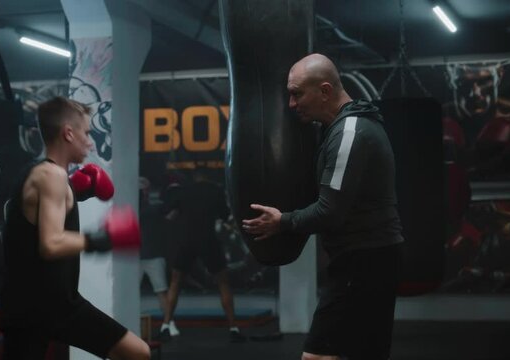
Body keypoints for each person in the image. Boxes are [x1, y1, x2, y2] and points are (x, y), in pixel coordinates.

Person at [242, 53, 404, 360]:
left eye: (297, 94)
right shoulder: (342, 128)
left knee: (317, 355)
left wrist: (282, 221)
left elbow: (330, 212)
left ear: (325, 91)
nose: (291, 104)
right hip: (371, 256)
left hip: (364, 260)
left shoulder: (350, 134)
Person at [0, 96, 150, 360]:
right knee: (138, 353)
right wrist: (104, 238)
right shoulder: (52, 177)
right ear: (68, 133)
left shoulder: (40, 173)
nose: (90, 141)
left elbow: (33, 220)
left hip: (33, 304)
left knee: (137, 353)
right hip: (46, 307)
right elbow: (51, 243)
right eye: (87, 132)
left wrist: (75, 192)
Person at [159, 169, 247, 343]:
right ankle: (234, 328)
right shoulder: (215, 191)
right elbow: (225, 215)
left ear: (194, 178)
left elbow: (170, 214)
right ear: (207, 177)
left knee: (175, 282)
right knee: (223, 283)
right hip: (208, 240)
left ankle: (165, 325)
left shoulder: (184, 191)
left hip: (187, 241)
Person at [137, 176, 179, 337]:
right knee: (130, 291)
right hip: (135, 258)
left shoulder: (154, 209)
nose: (144, 191)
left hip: (154, 256)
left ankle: (169, 323)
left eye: (145, 188)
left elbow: (168, 216)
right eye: (141, 189)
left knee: (161, 291)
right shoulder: (132, 206)